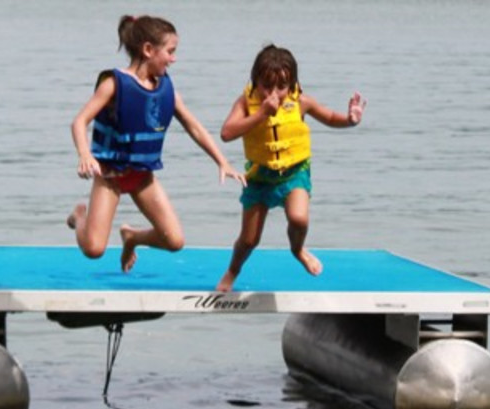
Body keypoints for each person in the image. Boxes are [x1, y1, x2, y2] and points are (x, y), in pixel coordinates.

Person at [69, 14, 245, 272]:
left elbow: (193, 126)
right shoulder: (113, 84)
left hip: (142, 176)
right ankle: (79, 217)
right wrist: (85, 154)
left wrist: (222, 161)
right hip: (110, 175)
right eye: (170, 51)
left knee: (174, 241)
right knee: (94, 250)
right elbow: (79, 121)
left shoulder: (166, 89)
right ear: (148, 50)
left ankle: (132, 237)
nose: (174, 58)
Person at [215, 44, 366, 292]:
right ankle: (233, 270)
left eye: (282, 87)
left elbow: (328, 117)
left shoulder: (301, 102)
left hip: (294, 174)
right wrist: (261, 114)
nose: (274, 93)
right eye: (266, 86)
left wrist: (349, 120)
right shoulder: (245, 103)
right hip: (260, 179)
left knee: (299, 219)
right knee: (249, 239)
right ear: (255, 81)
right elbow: (226, 133)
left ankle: (297, 250)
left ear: (293, 84)